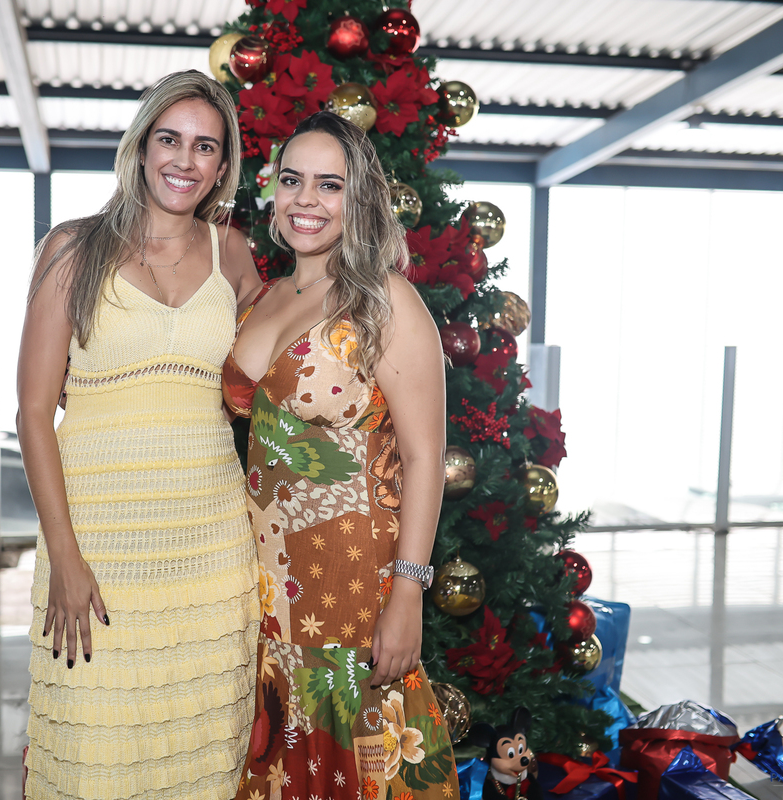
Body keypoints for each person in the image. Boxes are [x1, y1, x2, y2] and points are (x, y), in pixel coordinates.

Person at [16, 70, 263, 800]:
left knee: (201, 762)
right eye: (170, 139)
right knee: (95, 755)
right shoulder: (74, 248)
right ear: (141, 146)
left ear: (223, 164)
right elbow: (33, 411)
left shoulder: (233, 254)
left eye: (205, 146)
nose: (185, 160)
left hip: (211, 552)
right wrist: (65, 557)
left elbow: (276, 364)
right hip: (98, 550)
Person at [224, 111, 459, 799]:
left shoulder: (386, 300)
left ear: (359, 198)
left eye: (330, 184)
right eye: (292, 180)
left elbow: (425, 457)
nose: (306, 199)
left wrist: (409, 591)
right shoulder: (265, 296)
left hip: (351, 586)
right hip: (263, 589)